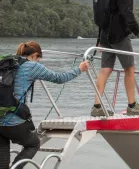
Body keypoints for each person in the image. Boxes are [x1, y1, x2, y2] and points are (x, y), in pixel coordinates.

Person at [0, 41, 89, 169]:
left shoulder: (7, 64)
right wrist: (79, 69)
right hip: (12, 121)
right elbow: (59, 78)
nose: (38, 62)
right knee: (33, 144)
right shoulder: (32, 66)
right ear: (35, 55)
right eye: (39, 59)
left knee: (2, 158)